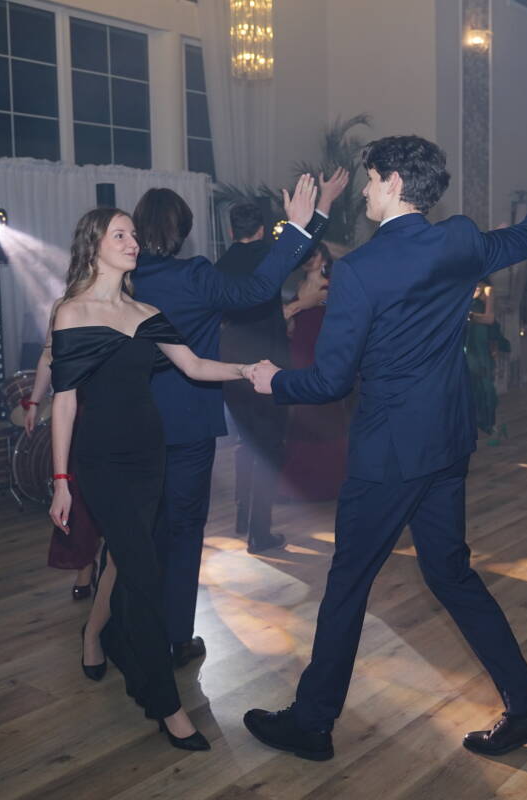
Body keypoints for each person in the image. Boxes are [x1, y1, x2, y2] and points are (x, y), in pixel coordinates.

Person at [241, 91, 527, 763]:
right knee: (451, 576)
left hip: (389, 453)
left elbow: (330, 381)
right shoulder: (460, 241)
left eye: (370, 180)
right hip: (446, 443)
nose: (366, 190)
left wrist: (274, 382)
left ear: (392, 182)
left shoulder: (361, 271)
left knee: (347, 585)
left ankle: (312, 723)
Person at [47, 207, 267, 750]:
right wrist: (61, 480)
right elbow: (65, 401)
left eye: (134, 235)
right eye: (119, 234)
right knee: (145, 573)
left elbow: (194, 366)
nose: (133, 243)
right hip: (102, 462)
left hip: (150, 457)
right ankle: (166, 705)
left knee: (133, 564)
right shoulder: (71, 312)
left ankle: (106, 637)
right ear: (94, 245)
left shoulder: (146, 312)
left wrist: (246, 370)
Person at [129, 172, 342, 666]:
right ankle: (176, 637)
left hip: (133, 419)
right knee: (184, 528)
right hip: (187, 418)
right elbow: (259, 288)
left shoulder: (126, 277)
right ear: (183, 231)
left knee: (140, 530)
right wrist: (302, 225)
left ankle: (133, 631)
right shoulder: (192, 275)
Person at [215, 174, 350, 553]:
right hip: (267, 367)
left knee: (246, 444)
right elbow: (307, 238)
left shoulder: (218, 265)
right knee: (270, 448)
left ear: (230, 231)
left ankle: (243, 516)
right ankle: (260, 533)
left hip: (228, 366)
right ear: (261, 230)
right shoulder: (269, 256)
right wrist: (325, 200)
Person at [24, 312, 100, 600]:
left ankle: (110, 565)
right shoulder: (65, 307)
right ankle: (85, 565)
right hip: (75, 409)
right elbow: (48, 357)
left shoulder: (125, 300)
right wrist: (34, 401)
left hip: (112, 408)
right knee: (78, 494)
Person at [279, 243, 348, 502]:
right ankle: (300, 481)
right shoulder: (298, 285)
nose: (309, 259)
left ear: (323, 257)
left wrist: (291, 309)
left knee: (323, 415)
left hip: (321, 357)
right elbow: (293, 322)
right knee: (301, 416)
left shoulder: (328, 287)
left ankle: (326, 482)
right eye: (306, 255)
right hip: (299, 353)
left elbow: (317, 304)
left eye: (314, 254)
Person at [465, 280, 509, 443]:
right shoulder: (465, 287)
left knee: (486, 385)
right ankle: (475, 422)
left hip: (481, 341)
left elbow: (489, 319)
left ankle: (490, 423)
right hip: (468, 340)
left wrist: (470, 316)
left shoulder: (488, 290)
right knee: (472, 384)